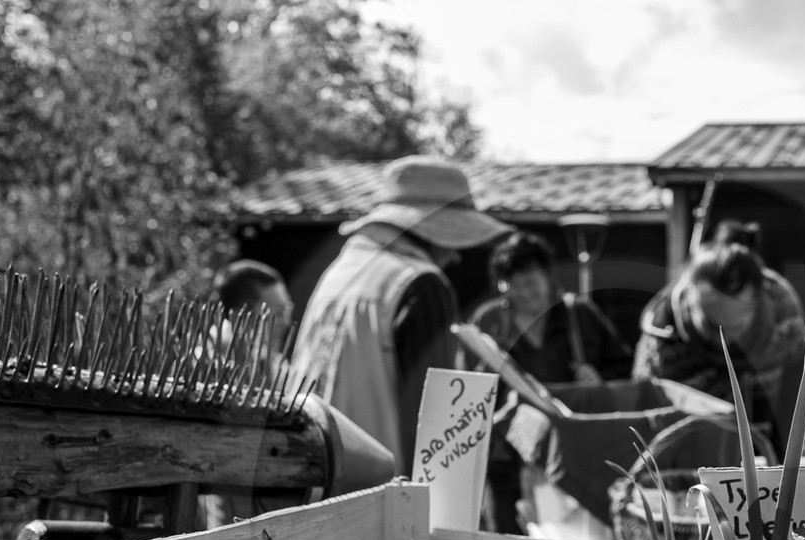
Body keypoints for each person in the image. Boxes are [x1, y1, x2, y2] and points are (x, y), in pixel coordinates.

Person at [288, 155, 510, 471]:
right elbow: (434, 428)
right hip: (382, 495)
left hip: (314, 479)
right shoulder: (420, 283)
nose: (456, 255)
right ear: (429, 233)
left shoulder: (337, 274)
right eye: (452, 238)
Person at [632, 221, 805, 449]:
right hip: (690, 449)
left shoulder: (781, 307)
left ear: (757, 304)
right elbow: (645, 413)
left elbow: (796, 385)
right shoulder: (662, 337)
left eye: (736, 326)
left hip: (764, 436)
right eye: (712, 327)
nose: (725, 339)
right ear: (690, 301)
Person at [469, 231, 631, 385]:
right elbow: (465, 378)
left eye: (530, 283)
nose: (524, 293)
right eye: (513, 286)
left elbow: (626, 368)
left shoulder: (581, 314)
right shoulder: (487, 321)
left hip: (572, 412)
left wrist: (599, 378)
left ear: (548, 276)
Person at [214, 259, 294, 353]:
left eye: (288, 310)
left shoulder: (273, 360)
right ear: (241, 318)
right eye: (279, 312)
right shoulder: (210, 357)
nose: (287, 323)